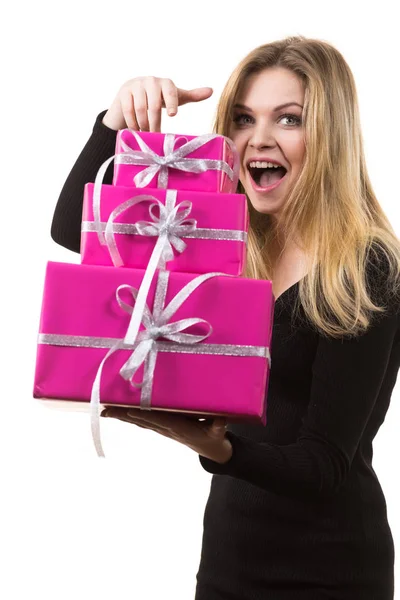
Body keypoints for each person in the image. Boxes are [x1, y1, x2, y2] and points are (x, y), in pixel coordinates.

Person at [50, 35, 400, 599]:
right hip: (230, 556)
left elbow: (324, 464)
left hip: (333, 568)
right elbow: (76, 230)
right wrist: (114, 123)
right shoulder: (225, 243)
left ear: (330, 137)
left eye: (289, 120)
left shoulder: (367, 266)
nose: (258, 139)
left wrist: (217, 448)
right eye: (242, 118)